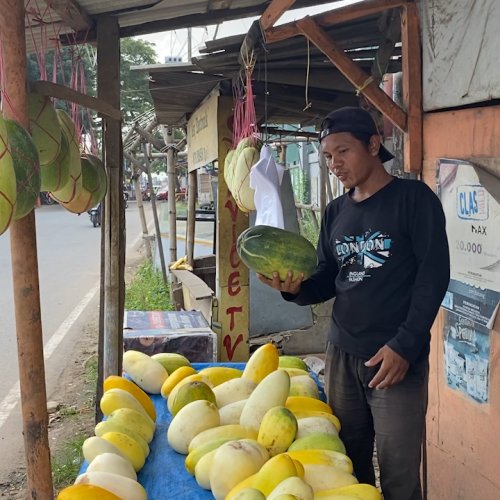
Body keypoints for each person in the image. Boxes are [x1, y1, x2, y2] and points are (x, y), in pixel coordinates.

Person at [258, 106, 450, 500]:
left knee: (398, 474)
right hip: (342, 355)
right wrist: (293, 289)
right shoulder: (336, 211)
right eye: (328, 156)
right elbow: (328, 277)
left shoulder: (413, 200)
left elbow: (433, 278)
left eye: (343, 151)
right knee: (348, 466)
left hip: (394, 359)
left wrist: (405, 345)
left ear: (373, 145)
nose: (334, 164)